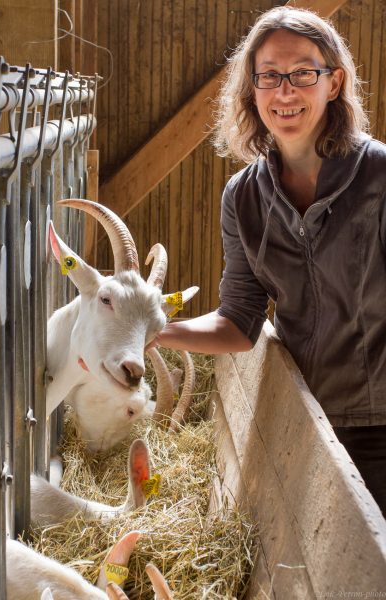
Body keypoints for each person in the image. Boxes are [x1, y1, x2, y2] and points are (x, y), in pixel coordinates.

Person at [147, 6, 386, 515]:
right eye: (270, 76)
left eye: (303, 73)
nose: (285, 91)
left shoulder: (379, 178)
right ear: (252, 88)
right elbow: (238, 323)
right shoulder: (243, 197)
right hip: (306, 421)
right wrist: (151, 330)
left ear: (334, 81)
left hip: (379, 423)